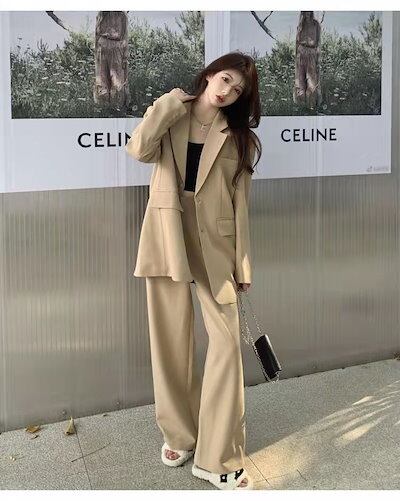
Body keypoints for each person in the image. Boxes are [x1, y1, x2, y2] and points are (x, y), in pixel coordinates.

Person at [125, 51, 261, 490]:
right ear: (210, 74)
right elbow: (139, 150)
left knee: (226, 343)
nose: (227, 91)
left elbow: (241, 204)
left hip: (215, 243)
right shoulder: (171, 114)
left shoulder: (239, 137)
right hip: (166, 232)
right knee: (170, 340)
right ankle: (180, 434)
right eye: (225, 79)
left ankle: (217, 457)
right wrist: (168, 103)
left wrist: (242, 261)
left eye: (237, 90)